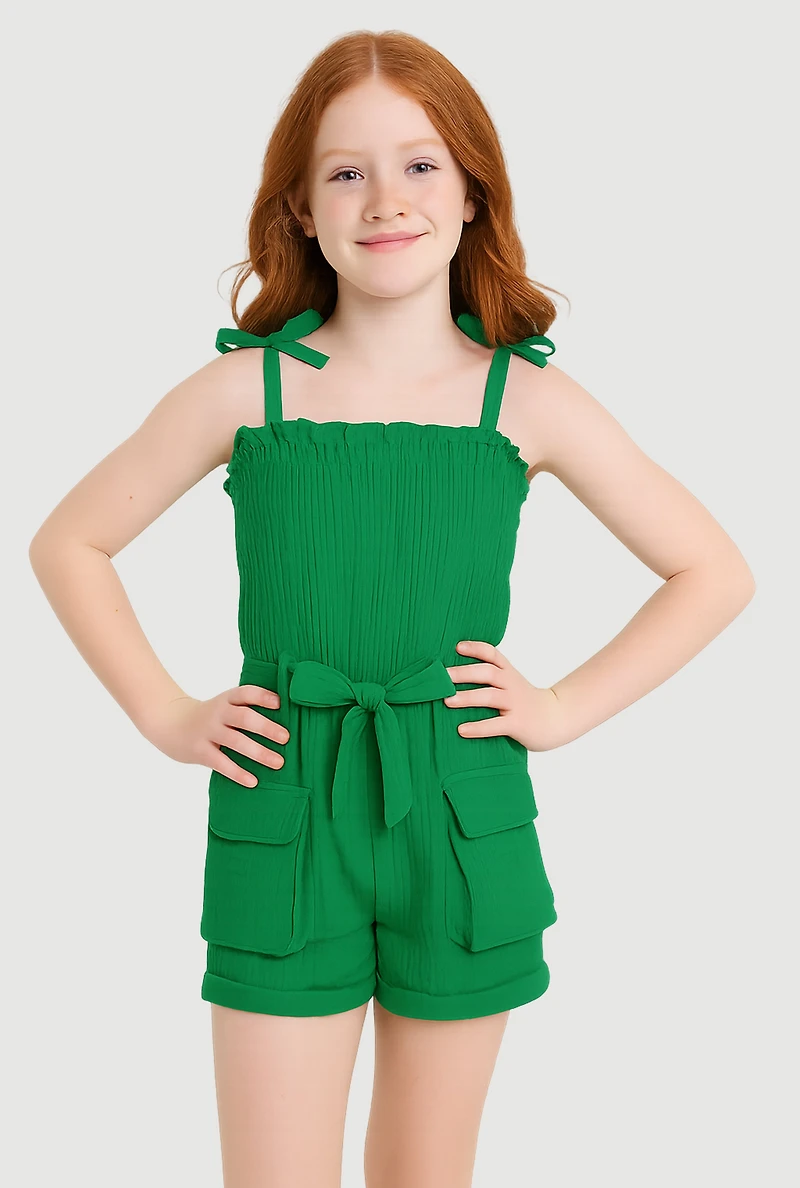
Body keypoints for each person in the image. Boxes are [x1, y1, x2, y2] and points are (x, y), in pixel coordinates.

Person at [28, 28, 756, 1188]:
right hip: (282, 806)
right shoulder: (245, 390)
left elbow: (711, 571)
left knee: (427, 1172)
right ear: (300, 209)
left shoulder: (525, 401)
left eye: (418, 164)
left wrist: (560, 706)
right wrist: (165, 715)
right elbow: (70, 541)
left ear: (471, 192)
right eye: (344, 171)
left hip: (461, 808)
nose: (384, 199)